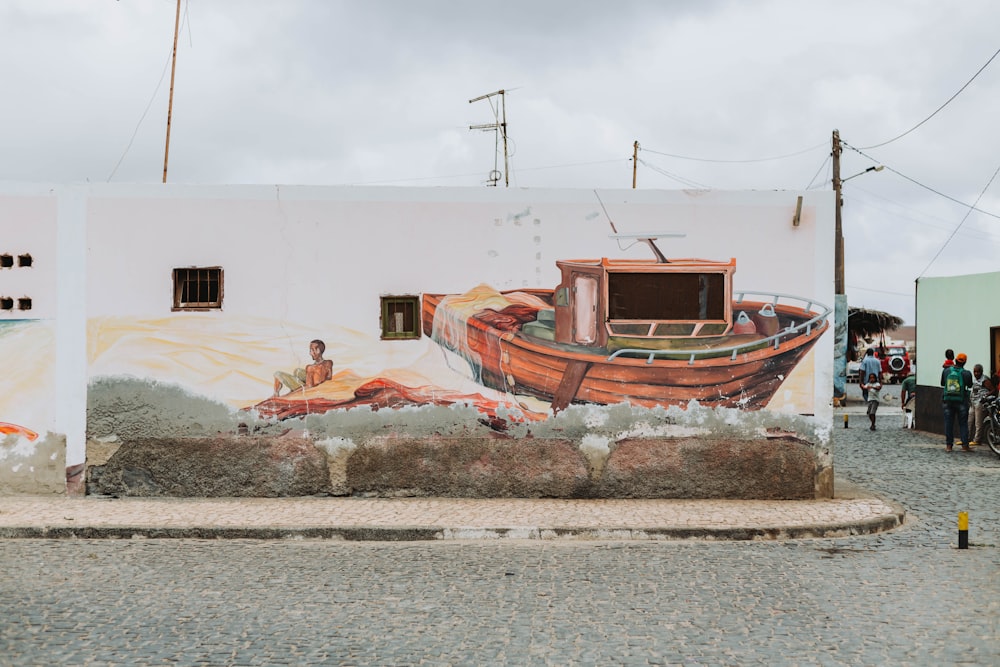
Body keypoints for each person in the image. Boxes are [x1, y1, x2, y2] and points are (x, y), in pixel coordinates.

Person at [940, 352, 973, 452]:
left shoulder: (946, 371)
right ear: (965, 362)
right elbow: (970, 385)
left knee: (948, 423)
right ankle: (965, 446)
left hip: (948, 400)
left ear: (955, 360)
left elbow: (942, 383)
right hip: (961, 401)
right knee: (963, 424)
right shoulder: (966, 373)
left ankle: (949, 446)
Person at [968, 363, 989, 446]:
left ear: (981, 372)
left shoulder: (985, 380)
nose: (976, 373)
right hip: (973, 402)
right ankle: (966, 438)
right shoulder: (974, 380)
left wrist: (985, 396)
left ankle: (977, 439)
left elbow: (993, 390)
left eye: (978, 372)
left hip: (980, 403)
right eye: (975, 372)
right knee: (969, 420)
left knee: (978, 422)